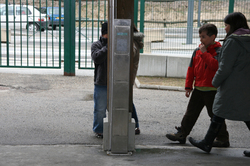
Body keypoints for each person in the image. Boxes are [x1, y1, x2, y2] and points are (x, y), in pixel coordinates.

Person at [188, 12, 250, 157]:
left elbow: (224, 66)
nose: (225, 29)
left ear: (233, 25)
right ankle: (207, 142)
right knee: (228, 113)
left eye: (226, 25)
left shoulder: (233, 41)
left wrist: (215, 82)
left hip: (231, 84)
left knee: (222, 111)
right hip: (246, 84)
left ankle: (207, 143)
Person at [166, 24, 230, 147]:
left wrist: (205, 53)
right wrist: (188, 86)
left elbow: (215, 66)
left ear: (213, 37)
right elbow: (191, 69)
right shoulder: (197, 51)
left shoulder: (219, 51)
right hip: (198, 88)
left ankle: (223, 138)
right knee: (190, 113)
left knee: (215, 116)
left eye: (203, 37)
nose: (201, 39)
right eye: (200, 36)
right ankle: (182, 134)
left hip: (212, 89)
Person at [91, 21, 108, 138]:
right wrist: (108, 47)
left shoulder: (119, 44)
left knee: (124, 105)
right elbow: (97, 58)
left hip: (116, 81)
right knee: (100, 109)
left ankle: (134, 125)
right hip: (101, 82)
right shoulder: (96, 45)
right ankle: (99, 130)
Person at [132, 25, 144, 135]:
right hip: (129, 76)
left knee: (127, 101)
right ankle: (135, 125)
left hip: (126, 77)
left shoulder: (131, 43)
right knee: (127, 101)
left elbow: (128, 56)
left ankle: (135, 125)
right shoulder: (134, 41)